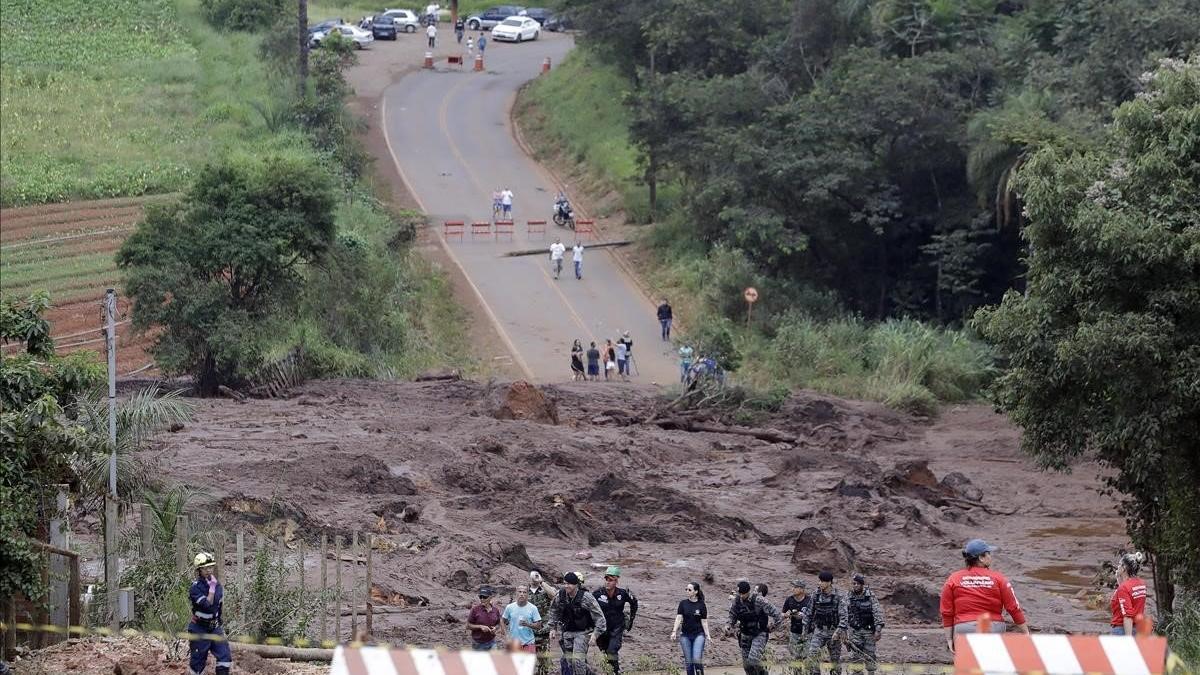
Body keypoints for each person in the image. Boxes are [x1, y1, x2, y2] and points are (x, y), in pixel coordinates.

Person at [940, 539, 1029, 653]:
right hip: (992, 628)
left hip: (964, 628)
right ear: (981, 558)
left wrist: (949, 639)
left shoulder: (953, 578)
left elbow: (946, 611)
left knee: (966, 665)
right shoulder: (999, 578)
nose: (990, 557)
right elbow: (1013, 607)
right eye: (988, 553)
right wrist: (1026, 633)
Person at [548, 572, 607, 675]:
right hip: (567, 632)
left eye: (569, 584)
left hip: (583, 633)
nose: (566, 586)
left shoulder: (586, 597)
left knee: (578, 661)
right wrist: (552, 627)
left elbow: (599, 617)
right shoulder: (560, 595)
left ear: (576, 585)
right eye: (565, 583)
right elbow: (554, 610)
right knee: (571, 663)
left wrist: (595, 634)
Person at [188, 552, 232, 675]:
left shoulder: (217, 585)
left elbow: (219, 606)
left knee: (225, 657)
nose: (209, 570)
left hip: (214, 628)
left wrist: (219, 621)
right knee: (198, 663)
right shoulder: (195, 588)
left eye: (211, 567)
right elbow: (207, 605)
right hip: (199, 628)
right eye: (205, 568)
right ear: (199, 570)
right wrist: (211, 589)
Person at [725, 580, 782, 675]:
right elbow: (732, 614)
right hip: (745, 634)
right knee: (747, 666)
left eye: (743, 594)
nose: (741, 596)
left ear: (748, 592)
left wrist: (772, 627)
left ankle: (764, 673)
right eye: (740, 593)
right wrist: (728, 625)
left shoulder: (759, 600)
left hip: (759, 634)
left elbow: (776, 614)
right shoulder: (737, 600)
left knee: (753, 660)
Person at [593, 566, 638, 675]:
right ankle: (611, 670)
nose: (608, 582)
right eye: (606, 579)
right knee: (605, 651)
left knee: (612, 650)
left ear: (616, 581)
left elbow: (634, 603)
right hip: (602, 628)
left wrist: (631, 619)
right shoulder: (597, 594)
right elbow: (588, 607)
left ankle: (616, 672)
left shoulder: (622, 593)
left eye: (611, 580)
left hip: (617, 627)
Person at [802, 571, 848, 675]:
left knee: (835, 660)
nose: (820, 583)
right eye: (819, 581)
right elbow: (809, 613)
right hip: (819, 631)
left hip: (834, 632)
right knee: (812, 654)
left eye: (822, 581)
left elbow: (844, 616)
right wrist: (805, 630)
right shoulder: (816, 594)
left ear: (829, 582)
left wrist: (839, 631)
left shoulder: (839, 596)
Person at [846, 575, 884, 675]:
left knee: (870, 655)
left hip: (869, 631)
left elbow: (877, 612)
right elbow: (844, 612)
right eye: (854, 584)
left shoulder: (870, 596)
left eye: (858, 584)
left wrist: (878, 630)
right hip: (855, 631)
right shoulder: (849, 596)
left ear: (862, 585)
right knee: (855, 656)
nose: (855, 586)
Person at [671, 581, 711, 675]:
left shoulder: (701, 605)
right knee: (689, 663)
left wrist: (708, 635)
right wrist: (674, 631)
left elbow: (704, 622)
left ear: (695, 592)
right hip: (685, 635)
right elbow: (678, 618)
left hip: (698, 635)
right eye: (686, 589)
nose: (687, 591)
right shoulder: (683, 603)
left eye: (689, 589)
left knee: (696, 659)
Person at [529, 571, 558, 675]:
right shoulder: (524, 591)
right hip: (528, 631)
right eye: (532, 575)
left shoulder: (545, 589)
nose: (534, 577)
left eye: (536, 574)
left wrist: (541, 582)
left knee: (544, 659)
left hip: (543, 630)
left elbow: (554, 595)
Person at [1111, 552, 1148, 635]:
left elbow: (1128, 616)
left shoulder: (1123, 588)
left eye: (1120, 564)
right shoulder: (1141, 584)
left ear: (1124, 568)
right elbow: (1130, 595)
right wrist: (1119, 579)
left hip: (1122, 630)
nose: (1118, 566)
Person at [781, 580, 812, 675]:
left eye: (795, 587)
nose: (793, 589)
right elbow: (782, 613)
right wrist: (786, 615)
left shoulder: (810, 600)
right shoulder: (789, 600)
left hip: (808, 633)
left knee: (808, 658)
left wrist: (803, 615)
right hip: (794, 632)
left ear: (802, 589)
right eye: (792, 587)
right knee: (795, 657)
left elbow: (814, 615)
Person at [504, 587, 543, 653]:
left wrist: (528, 624)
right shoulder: (509, 607)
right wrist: (506, 634)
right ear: (516, 593)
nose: (522, 594)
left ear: (527, 594)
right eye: (520, 592)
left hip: (528, 643)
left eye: (524, 592)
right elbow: (503, 620)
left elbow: (539, 626)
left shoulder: (533, 608)